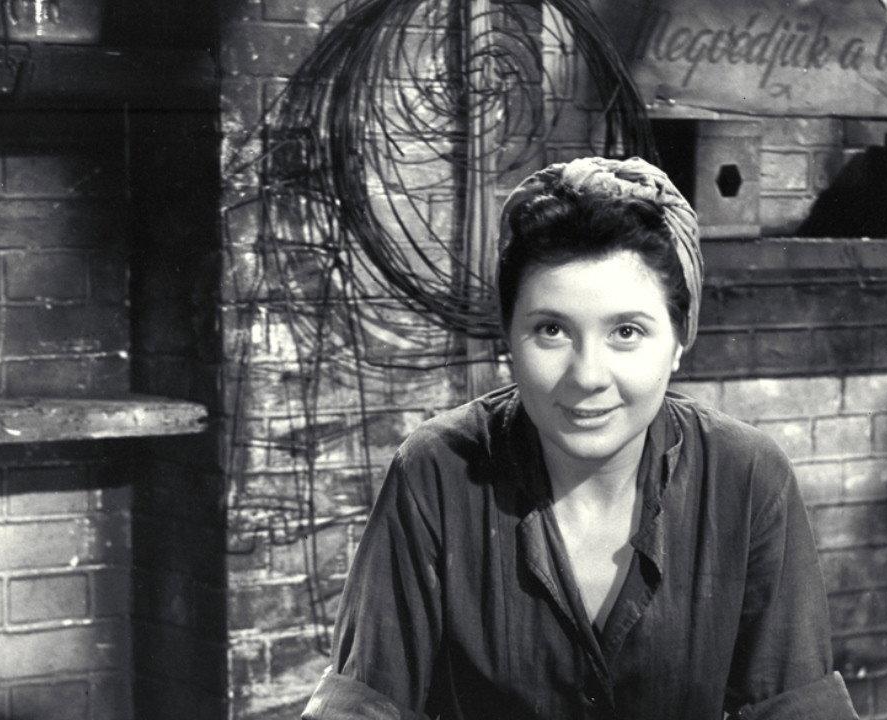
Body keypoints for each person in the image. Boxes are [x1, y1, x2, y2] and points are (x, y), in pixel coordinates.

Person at [302, 157, 858, 720]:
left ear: (679, 339)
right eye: (552, 330)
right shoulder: (436, 472)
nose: (588, 376)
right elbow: (360, 704)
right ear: (509, 336)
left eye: (626, 332)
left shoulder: (747, 477)